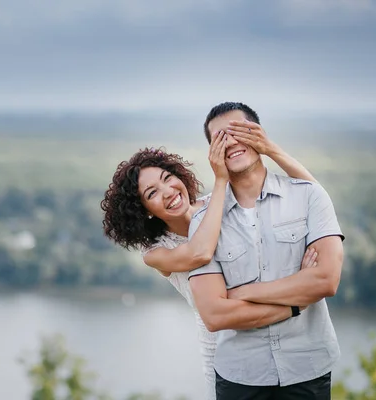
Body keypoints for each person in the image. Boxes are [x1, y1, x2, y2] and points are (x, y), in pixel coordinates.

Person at [101, 121, 317, 399]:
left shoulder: (216, 202)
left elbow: (310, 192)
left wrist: (270, 150)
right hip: (227, 353)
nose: (167, 192)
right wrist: (298, 302)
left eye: (167, 178)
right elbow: (201, 251)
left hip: (279, 342)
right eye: (152, 193)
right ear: (145, 212)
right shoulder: (156, 253)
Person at [188, 102, 345, 400]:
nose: (231, 141)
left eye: (239, 131)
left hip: (307, 368)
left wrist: (243, 292)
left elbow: (326, 281)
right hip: (240, 376)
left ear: (259, 135)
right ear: (212, 153)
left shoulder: (309, 195)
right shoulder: (203, 224)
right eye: (220, 138)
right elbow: (214, 315)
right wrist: (295, 303)